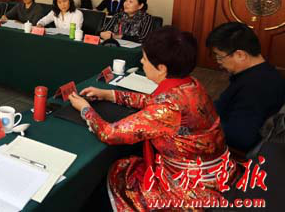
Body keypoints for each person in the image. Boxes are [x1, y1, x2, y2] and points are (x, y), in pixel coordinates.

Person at [68, 26, 234, 211]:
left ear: (162, 68)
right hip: (213, 173)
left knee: (120, 172)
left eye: (145, 59)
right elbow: (152, 101)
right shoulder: (191, 85)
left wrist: (85, 109)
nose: (141, 61)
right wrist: (110, 94)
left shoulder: (168, 107)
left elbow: (109, 134)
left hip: (187, 187)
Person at [206, 22, 285, 152]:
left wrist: (204, 124)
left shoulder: (255, 88)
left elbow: (240, 138)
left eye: (220, 57)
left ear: (240, 55)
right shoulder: (265, 72)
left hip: (232, 149)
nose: (219, 63)